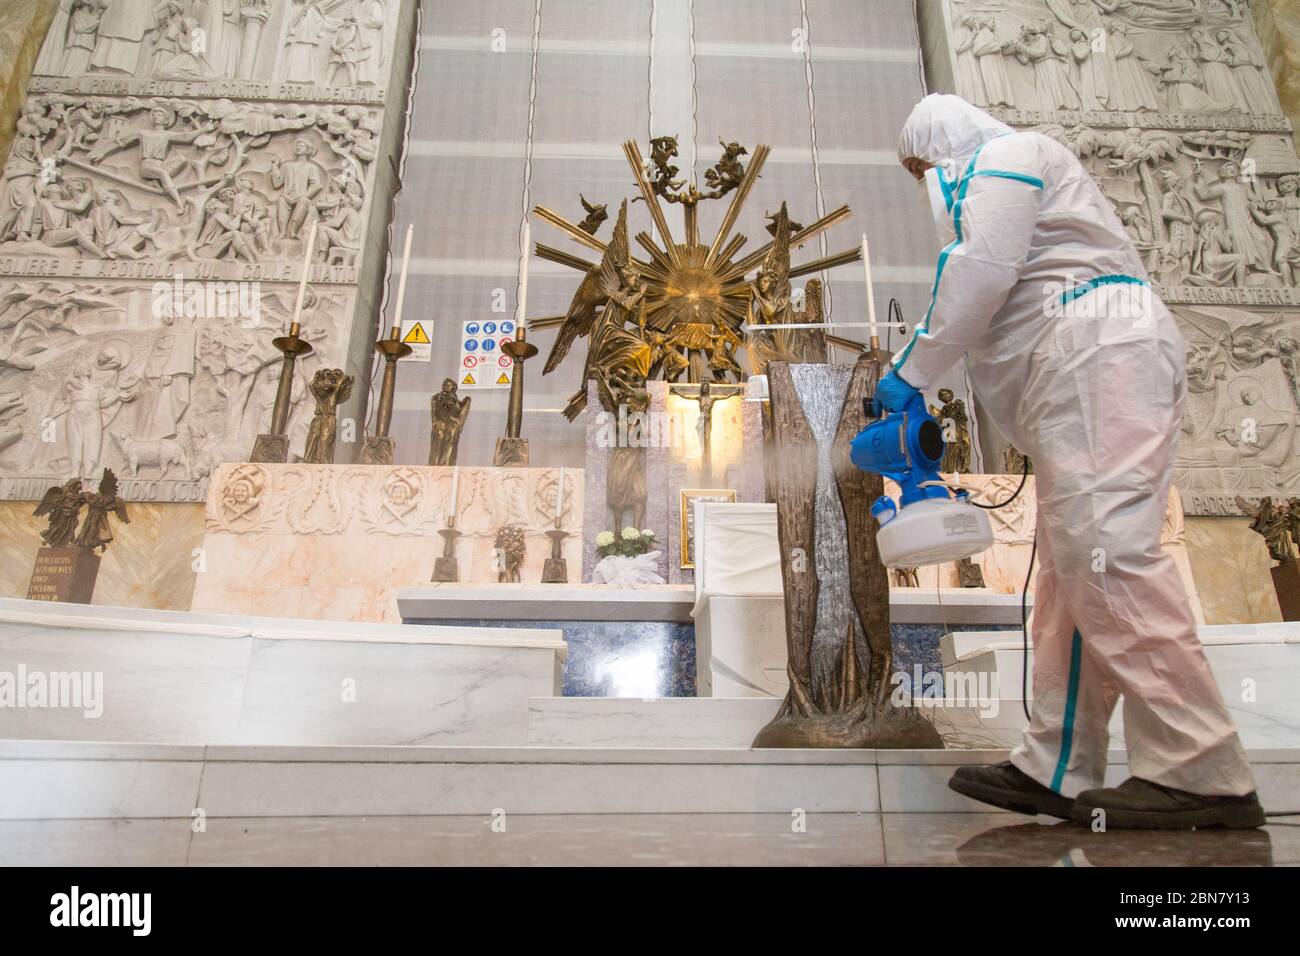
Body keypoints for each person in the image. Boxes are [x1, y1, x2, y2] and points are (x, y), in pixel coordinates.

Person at [882, 93, 1262, 830]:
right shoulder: (1002, 173)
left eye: (921, 166)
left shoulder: (1009, 155)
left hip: (1101, 352)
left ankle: (1201, 770)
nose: (922, 180)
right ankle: (1055, 764)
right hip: (1079, 369)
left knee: (1107, 556)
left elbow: (984, 269)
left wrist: (910, 372)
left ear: (941, 143)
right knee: (1068, 576)